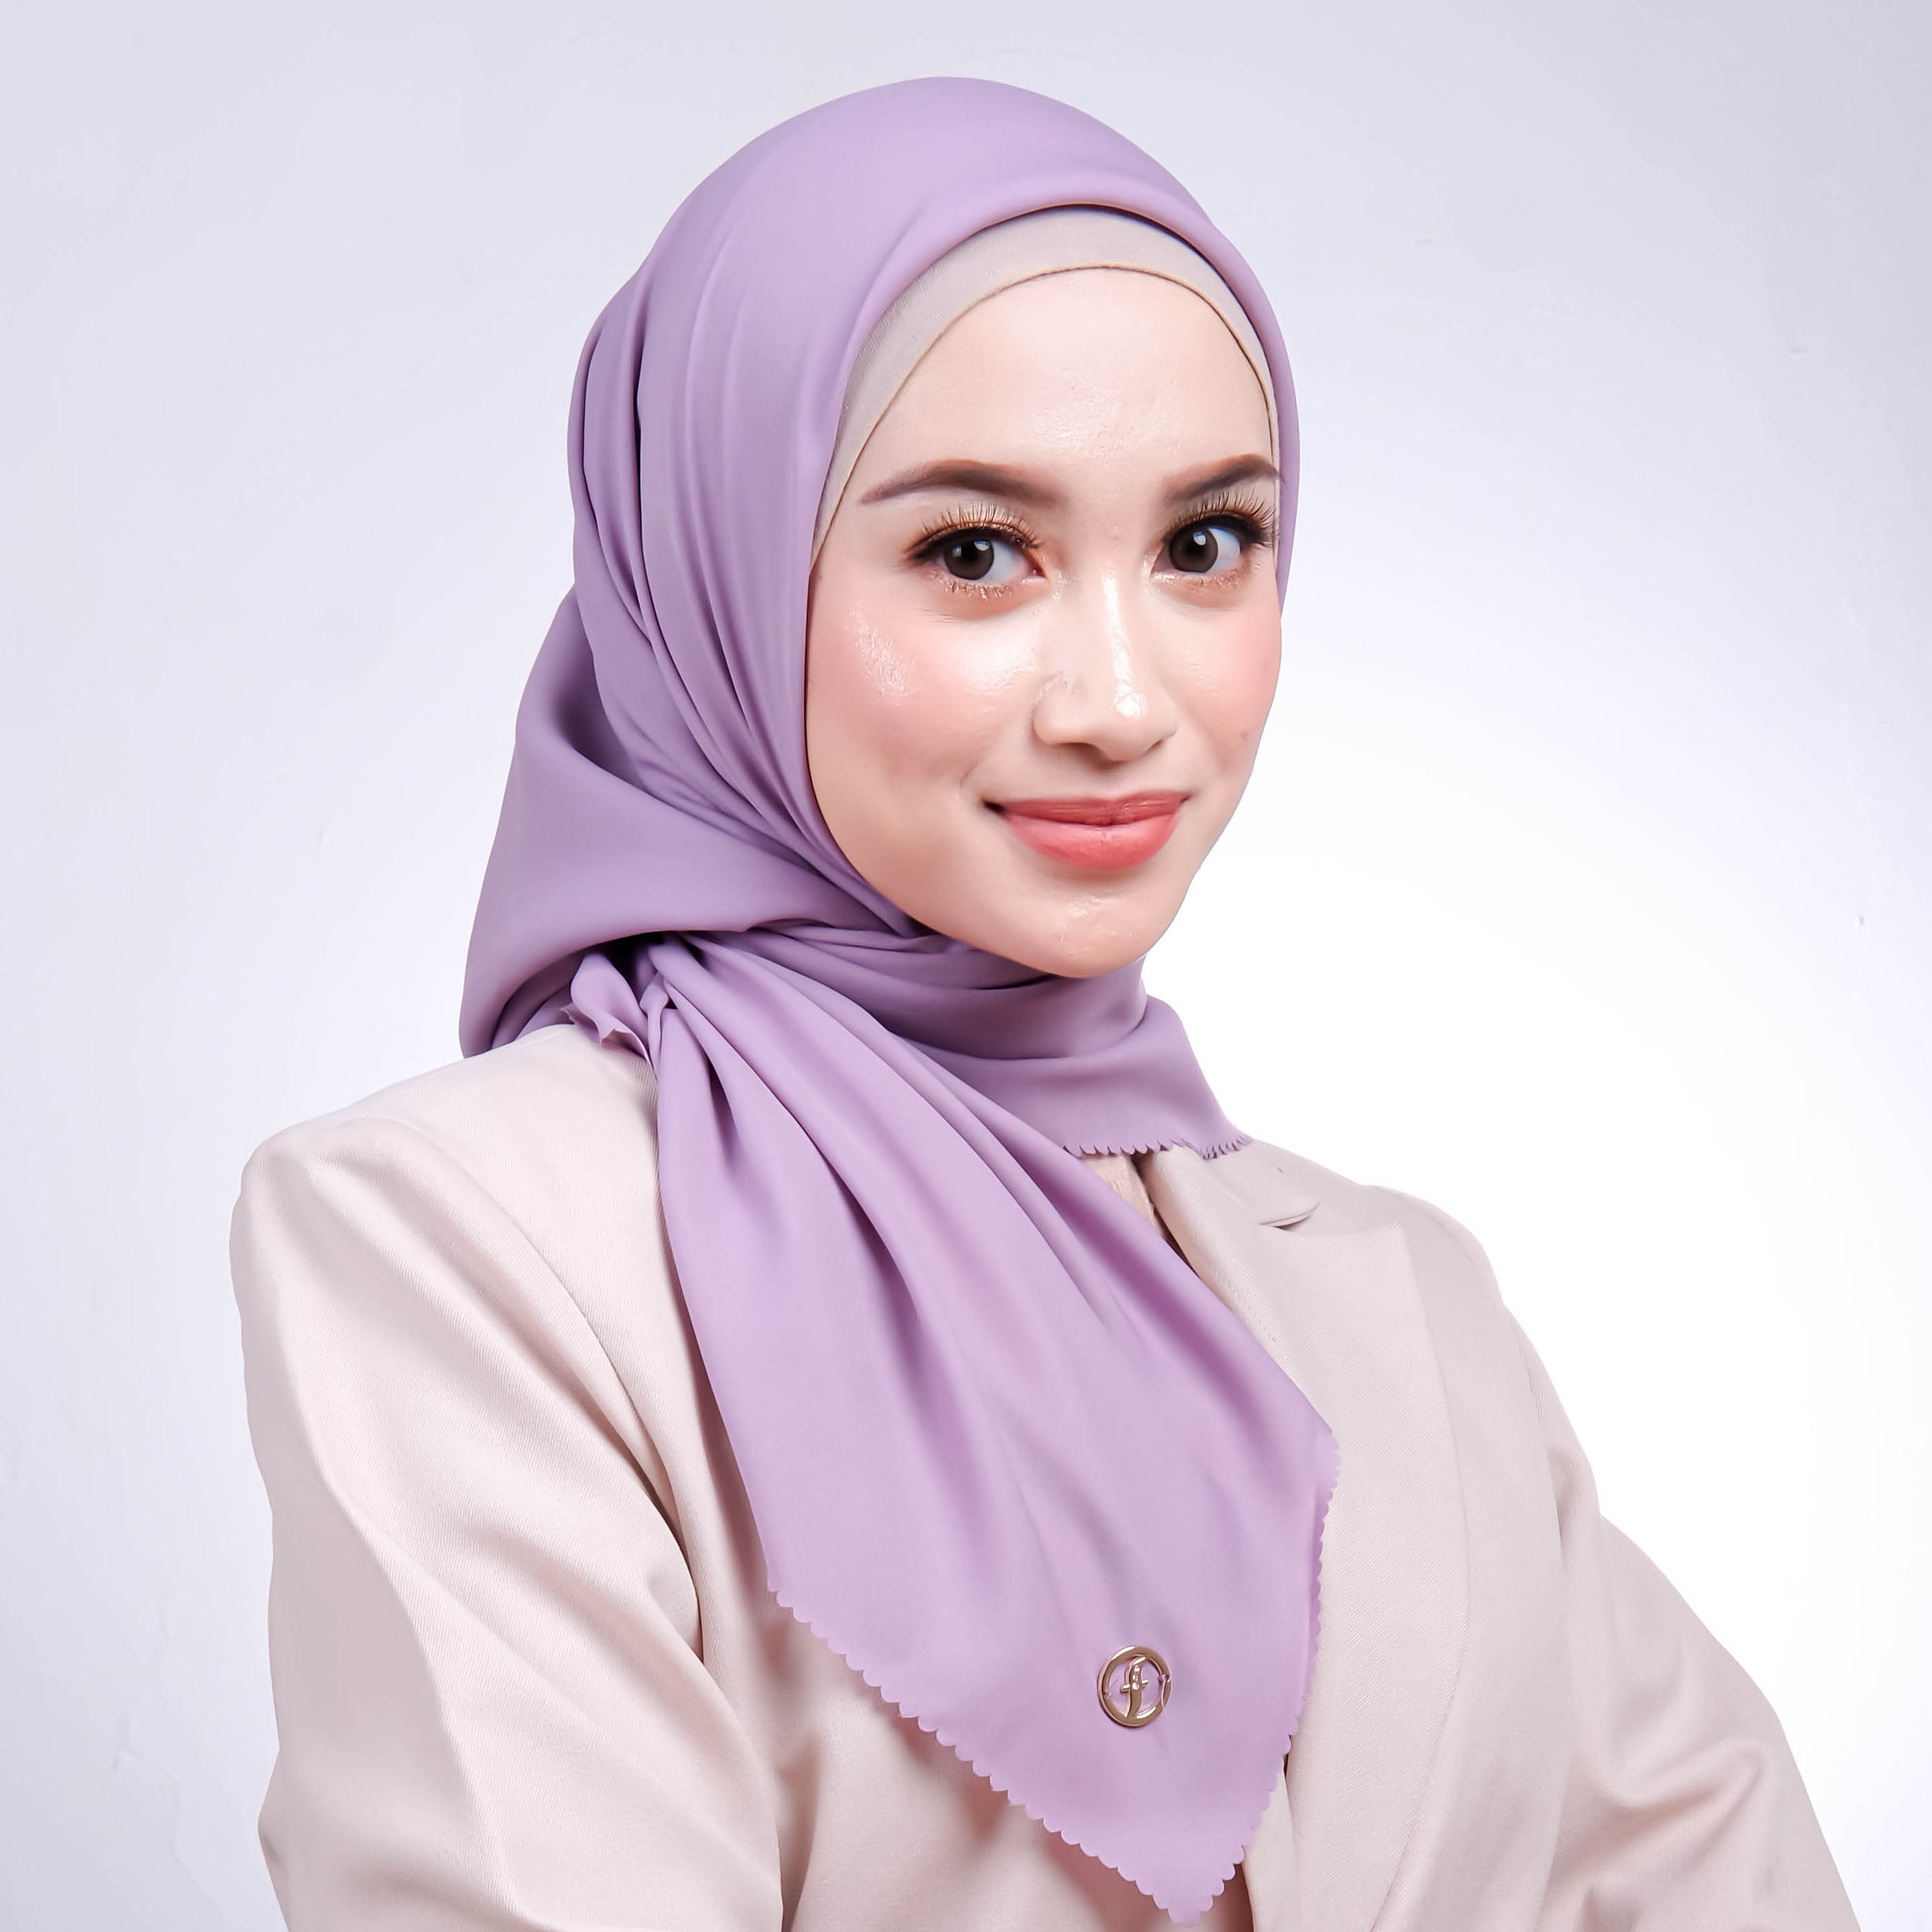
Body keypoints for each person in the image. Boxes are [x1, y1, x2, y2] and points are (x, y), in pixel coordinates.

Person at [230, 78, 1857, 1931]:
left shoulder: (1403, 1299)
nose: (1119, 702)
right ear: (717, 569)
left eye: (1203, 545)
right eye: (973, 553)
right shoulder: (470, 1240)